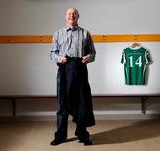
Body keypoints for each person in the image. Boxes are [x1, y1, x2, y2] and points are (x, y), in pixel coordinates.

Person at [50, 7, 96, 146]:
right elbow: (52, 53)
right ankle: (61, 136)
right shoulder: (58, 33)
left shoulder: (86, 33)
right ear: (66, 16)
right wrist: (59, 58)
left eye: (74, 14)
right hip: (64, 70)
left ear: (78, 16)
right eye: (69, 14)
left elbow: (93, 53)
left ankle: (82, 134)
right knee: (62, 104)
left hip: (80, 70)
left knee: (82, 103)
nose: (72, 16)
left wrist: (88, 58)